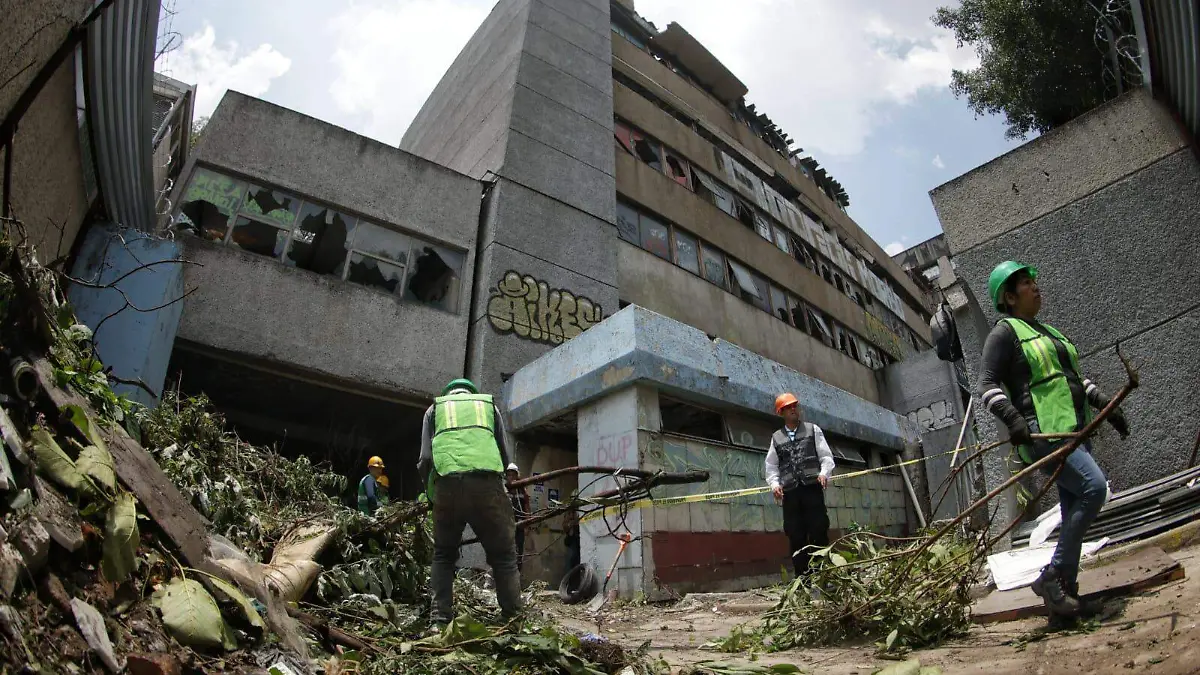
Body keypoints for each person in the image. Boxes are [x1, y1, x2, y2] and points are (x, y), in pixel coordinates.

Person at [979, 261, 1129, 619]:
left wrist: (1107, 405)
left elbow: (1071, 378)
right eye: (1027, 284)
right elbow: (986, 384)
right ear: (1010, 297)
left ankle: (1066, 597)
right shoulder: (1004, 333)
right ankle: (1053, 576)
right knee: (1095, 488)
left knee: (1072, 505)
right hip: (1046, 434)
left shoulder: (1048, 332)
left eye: (1035, 282)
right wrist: (1013, 418)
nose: (1036, 287)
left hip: (1075, 430)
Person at [417, 378, 523, 626]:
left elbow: (424, 460)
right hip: (486, 485)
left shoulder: (434, 409)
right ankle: (513, 619)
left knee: (443, 555)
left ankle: (439, 620)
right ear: (472, 393)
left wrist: (432, 494)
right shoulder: (488, 406)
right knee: (504, 556)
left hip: (447, 486)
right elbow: (506, 459)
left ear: (448, 393)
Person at [765, 392, 836, 578]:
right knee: (796, 537)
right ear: (781, 412)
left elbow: (826, 456)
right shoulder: (776, 438)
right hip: (791, 495)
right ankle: (803, 580)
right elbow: (771, 465)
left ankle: (823, 577)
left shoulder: (813, 430)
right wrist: (774, 484)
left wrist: (823, 473)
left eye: (795, 405)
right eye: (789, 407)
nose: (794, 409)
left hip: (812, 490)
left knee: (818, 532)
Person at [505, 463, 531, 571]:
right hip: (507, 525)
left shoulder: (522, 490)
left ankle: (517, 578)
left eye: (513, 475)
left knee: (519, 552)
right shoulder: (505, 489)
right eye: (509, 475)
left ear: (517, 475)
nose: (511, 477)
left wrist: (527, 524)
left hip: (520, 525)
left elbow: (526, 507)